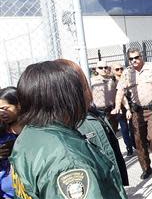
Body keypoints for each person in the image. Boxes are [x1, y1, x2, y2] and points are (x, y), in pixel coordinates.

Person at [10, 61, 127, 198]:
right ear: (66, 98)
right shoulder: (69, 161)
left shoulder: (30, 134)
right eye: (82, 88)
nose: (88, 94)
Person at [54, 59, 129, 187]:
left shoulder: (93, 116)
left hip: (110, 113)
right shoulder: (74, 124)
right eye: (83, 85)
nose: (88, 89)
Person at [115, 48, 152, 179]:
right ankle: (146, 168)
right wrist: (117, 106)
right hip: (136, 112)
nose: (134, 61)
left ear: (141, 56)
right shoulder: (127, 73)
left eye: (136, 57)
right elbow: (120, 91)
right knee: (139, 142)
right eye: (131, 59)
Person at [0, 87, 21, 199]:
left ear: (18, 105)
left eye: (5, 108)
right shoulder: (2, 133)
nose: (2, 113)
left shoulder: (32, 130)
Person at [111, 62, 135, 156]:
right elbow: (121, 96)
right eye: (117, 69)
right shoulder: (112, 82)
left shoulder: (127, 77)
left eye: (121, 68)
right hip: (121, 108)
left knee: (133, 128)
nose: (120, 70)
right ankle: (129, 147)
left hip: (131, 105)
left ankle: (134, 144)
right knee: (124, 129)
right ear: (113, 71)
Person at [90, 60, 118, 132]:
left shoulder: (112, 80)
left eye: (105, 67)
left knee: (113, 132)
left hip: (111, 110)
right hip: (98, 111)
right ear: (96, 69)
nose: (103, 69)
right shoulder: (92, 81)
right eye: (100, 68)